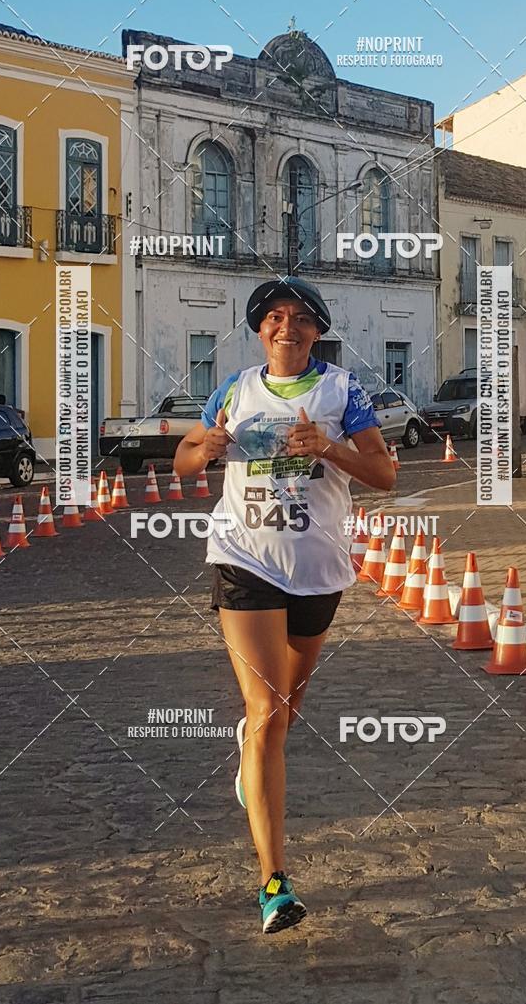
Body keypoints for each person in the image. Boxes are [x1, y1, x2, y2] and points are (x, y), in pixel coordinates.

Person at [174, 276, 395, 933]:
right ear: (260, 327)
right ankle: (274, 881)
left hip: (318, 570)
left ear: (317, 331)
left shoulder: (342, 391)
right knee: (268, 709)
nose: (286, 328)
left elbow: (385, 473)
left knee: (286, 709)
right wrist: (204, 449)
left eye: (300, 319)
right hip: (244, 561)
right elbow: (184, 457)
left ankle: (253, 752)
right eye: (275, 317)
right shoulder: (234, 390)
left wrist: (326, 446)